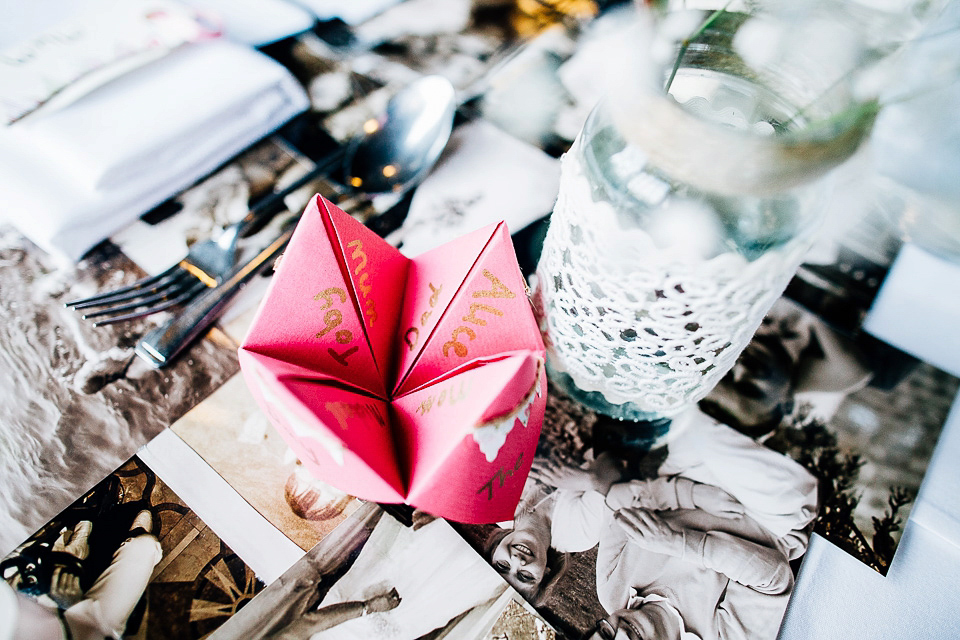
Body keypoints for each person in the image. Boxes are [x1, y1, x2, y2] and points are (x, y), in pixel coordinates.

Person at [541, 409, 818, 640]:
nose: (621, 633)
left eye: (605, 635)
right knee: (712, 430)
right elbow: (773, 580)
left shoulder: (611, 591)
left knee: (689, 414)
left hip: (686, 476)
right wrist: (676, 542)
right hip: (765, 517)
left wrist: (691, 494)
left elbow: (621, 503)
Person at [700, 298, 873, 439]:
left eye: (726, 376)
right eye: (751, 388)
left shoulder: (724, 326)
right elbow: (855, 372)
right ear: (788, 402)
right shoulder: (803, 356)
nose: (742, 370)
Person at [1, 509, 162, 640]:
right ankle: (128, 539)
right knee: (145, 545)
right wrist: (74, 605)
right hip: (85, 630)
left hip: (27, 604)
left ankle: (75, 548)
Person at [484, 478, 569, 606]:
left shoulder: (497, 504)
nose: (517, 560)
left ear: (495, 549)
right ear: (545, 574)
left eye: (502, 565)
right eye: (525, 576)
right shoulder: (577, 534)